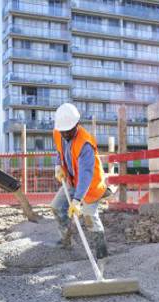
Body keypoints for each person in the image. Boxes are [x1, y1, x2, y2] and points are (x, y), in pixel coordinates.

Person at [50, 103, 109, 260]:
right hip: (72, 179)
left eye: (69, 131)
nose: (65, 134)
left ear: (77, 124)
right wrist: (58, 165)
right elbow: (59, 150)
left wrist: (76, 201)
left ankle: (102, 253)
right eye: (63, 131)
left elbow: (86, 174)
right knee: (56, 207)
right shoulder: (58, 133)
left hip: (90, 184)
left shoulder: (85, 144)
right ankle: (66, 240)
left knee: (89, 215)